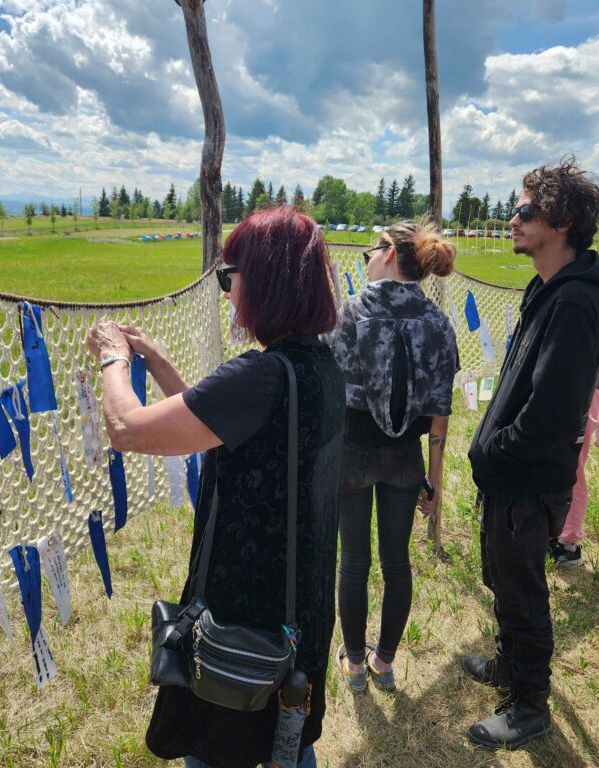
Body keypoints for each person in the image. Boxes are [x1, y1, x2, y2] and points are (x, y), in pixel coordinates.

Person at [86, 206, 345, 768]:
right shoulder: (318, 366)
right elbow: (216, 427)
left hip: (243, 616)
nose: (227, 290)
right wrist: (154, 359)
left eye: (231, 276)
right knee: (287, 734)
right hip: (299, 604)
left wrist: (112, 357)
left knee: (222, 742)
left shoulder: (261, 375)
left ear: (266, 284)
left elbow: (128, 429)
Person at [464, 159, 599, 749]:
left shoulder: (577, 303)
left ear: (564, 222)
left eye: (526, 210)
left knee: (523, 592)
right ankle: (509, 665)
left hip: (527, 481)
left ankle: (529, 704)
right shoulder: (546, 288)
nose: (513, 218)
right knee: (504, 580)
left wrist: (495, 452)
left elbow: (552, 414)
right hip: (510, 476)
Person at [324, 220, 459, 694]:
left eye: (369, 251)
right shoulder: (439, 323)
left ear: (387, 254)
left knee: (354, 562)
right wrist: (434, 481)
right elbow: (440, 411)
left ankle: (355, 664)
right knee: (396, 561)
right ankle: (384, 662)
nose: (365, 259)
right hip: (407, 459)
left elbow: (327, 391)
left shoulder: (349, 313)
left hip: (352, 453)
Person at [549, 280, 599, 567]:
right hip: (554, 394)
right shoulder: (558, 287)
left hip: (584, 395)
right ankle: (551, 530)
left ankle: (569, 542)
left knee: (574, 469)